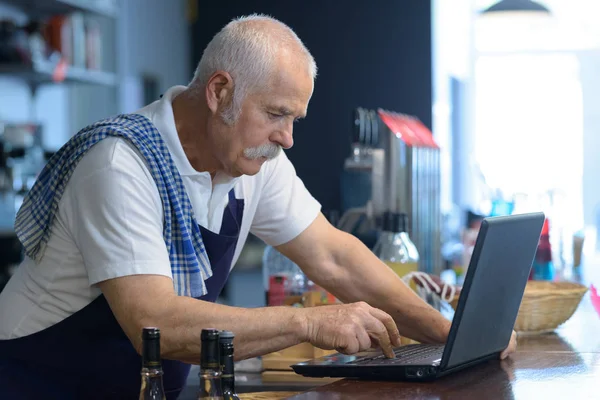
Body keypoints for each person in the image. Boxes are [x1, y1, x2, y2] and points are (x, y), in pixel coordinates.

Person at [0, 14, 516, 399]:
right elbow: (151, 321)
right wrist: (307, 323)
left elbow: (332, 255)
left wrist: (450, 334)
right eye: (276, 114)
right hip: (36, 383)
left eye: (295, 119)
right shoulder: (119, 164)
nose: (287, 139)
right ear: (220, 92)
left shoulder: (254, 161)